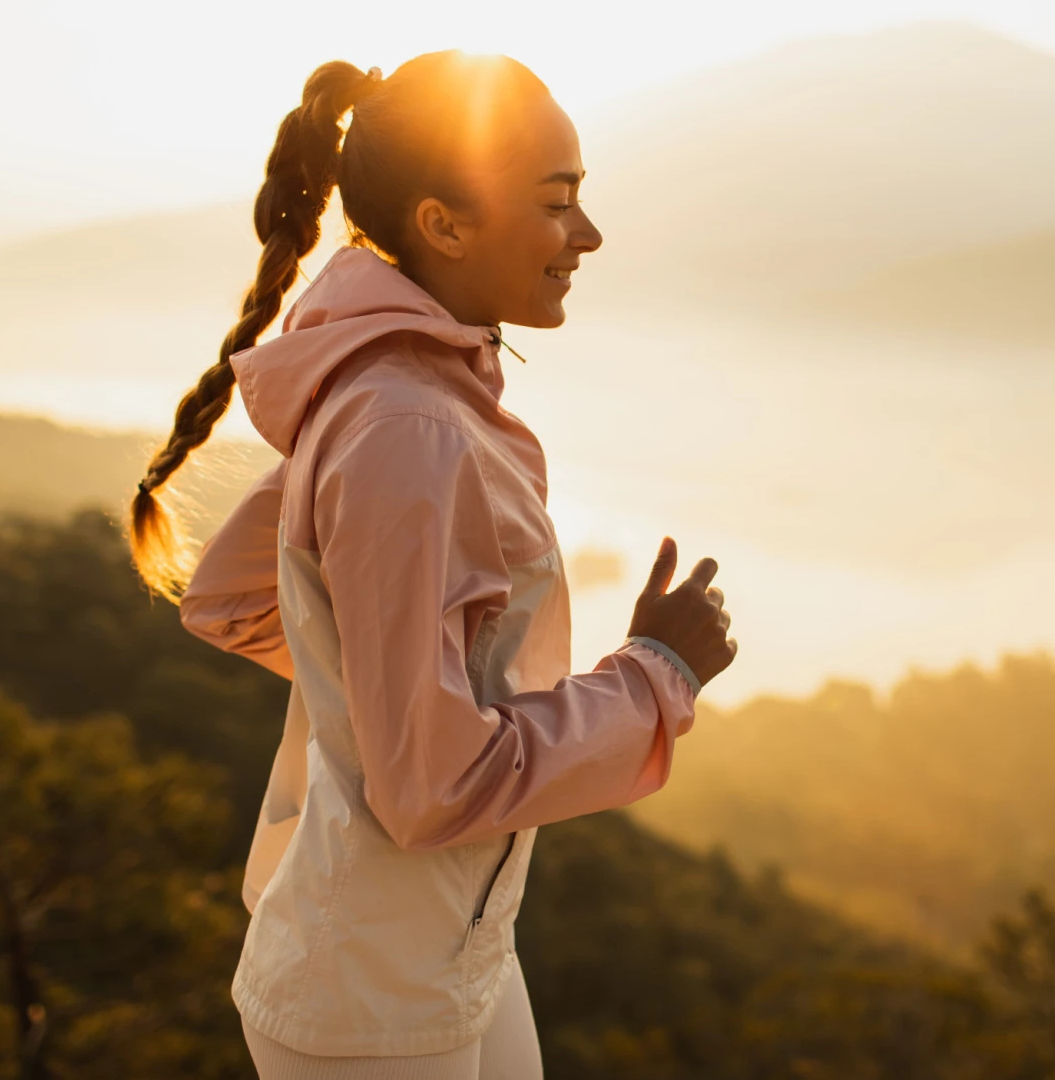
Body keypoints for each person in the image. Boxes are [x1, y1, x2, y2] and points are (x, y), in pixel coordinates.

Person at [125, 53, 737, 1080]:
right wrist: (652, 679)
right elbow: (432, 783)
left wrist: (393, 682)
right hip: (367, 994)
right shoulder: (407, 422)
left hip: (444, 940)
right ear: (443, 225)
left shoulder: (395, 391)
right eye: (558, 203)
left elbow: (235, 599)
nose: (587, 235)